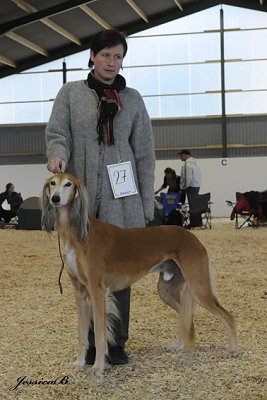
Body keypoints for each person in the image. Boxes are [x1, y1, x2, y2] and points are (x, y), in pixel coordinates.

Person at [45, 29, 155, 366]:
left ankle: (116, 342)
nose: (111, 62)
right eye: (105, 55)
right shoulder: (70, 93)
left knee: (118, 269)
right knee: (83, 272)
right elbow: (58, 133)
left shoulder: (133, 99)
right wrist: (57, 155)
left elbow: (144, 155)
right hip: (81, 200)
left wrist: (146, 206)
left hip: (122, 201)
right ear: (92, 56)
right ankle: (92, 343)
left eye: (118, 56)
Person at [179, 149, 202, 227]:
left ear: (185, 155)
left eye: (181, 155)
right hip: (197, 185)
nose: (180, 157)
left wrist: (184, 187)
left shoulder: (187, 164)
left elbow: (188, 177)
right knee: (195, 205)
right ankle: (198, 222)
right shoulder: (196, 162)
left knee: (192, 206)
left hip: (190, 187)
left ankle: (193, 224)